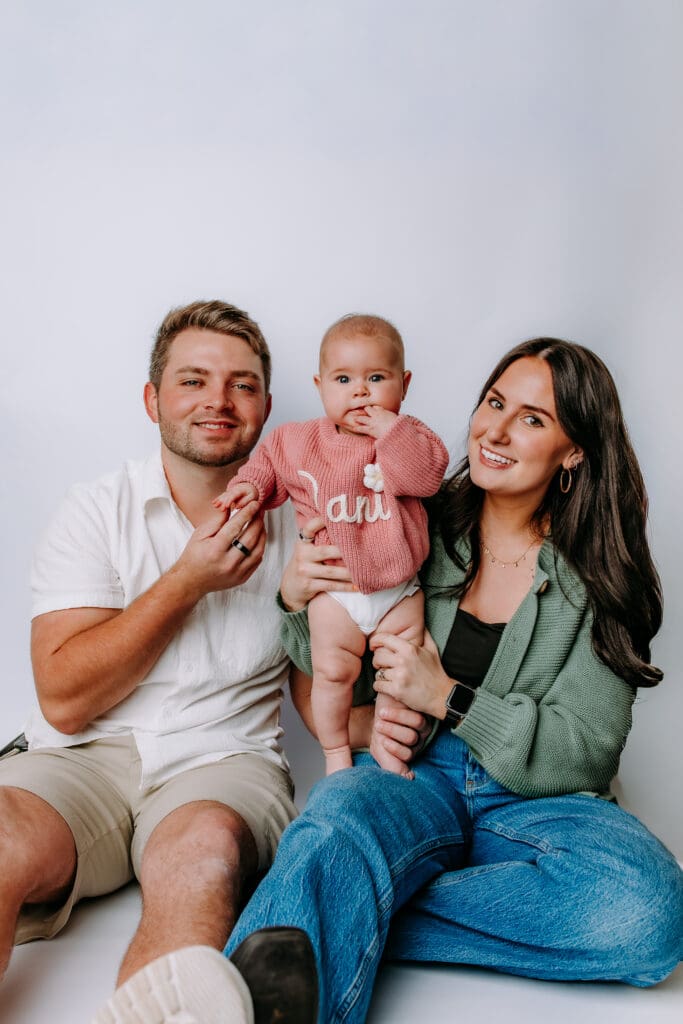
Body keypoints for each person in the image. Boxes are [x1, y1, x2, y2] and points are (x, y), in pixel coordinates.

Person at [95, 336, 683, 1024]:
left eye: (531, 419)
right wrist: (296, 600)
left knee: (648, 913)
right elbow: (331, 672)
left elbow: (584, 749)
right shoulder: (414, 518)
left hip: (540, 802)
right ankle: (305, 933)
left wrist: (450, 698)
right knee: (341, 813)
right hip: (411, 770)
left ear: (574, 449)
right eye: (494, 402)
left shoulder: (600, 577)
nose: (494, 429)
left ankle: (344, 899)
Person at [0, 299, 311, 1012]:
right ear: (153, 399)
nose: (218, 401)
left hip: (223, 763)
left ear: (264, 405)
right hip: (84, 756)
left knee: (203, 855)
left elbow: (316, 697)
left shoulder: (305, 521)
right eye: (193, 380)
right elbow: (66, 698)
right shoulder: (95, 510)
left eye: (242, 384)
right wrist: (187, 582)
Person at [215, 314, 449, 776]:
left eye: (376, 379)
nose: (360, 392)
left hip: (397, 589)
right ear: (321, 386)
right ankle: (336, 752)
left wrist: (391, 431)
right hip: (334, 594)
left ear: (403, 386)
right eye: (344, 379)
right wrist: (249, 487)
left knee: (398, 679)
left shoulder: (410, 439)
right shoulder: (299, 442)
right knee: (331, 676)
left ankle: (387, 743)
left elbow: (426, 477)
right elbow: (268, 465)